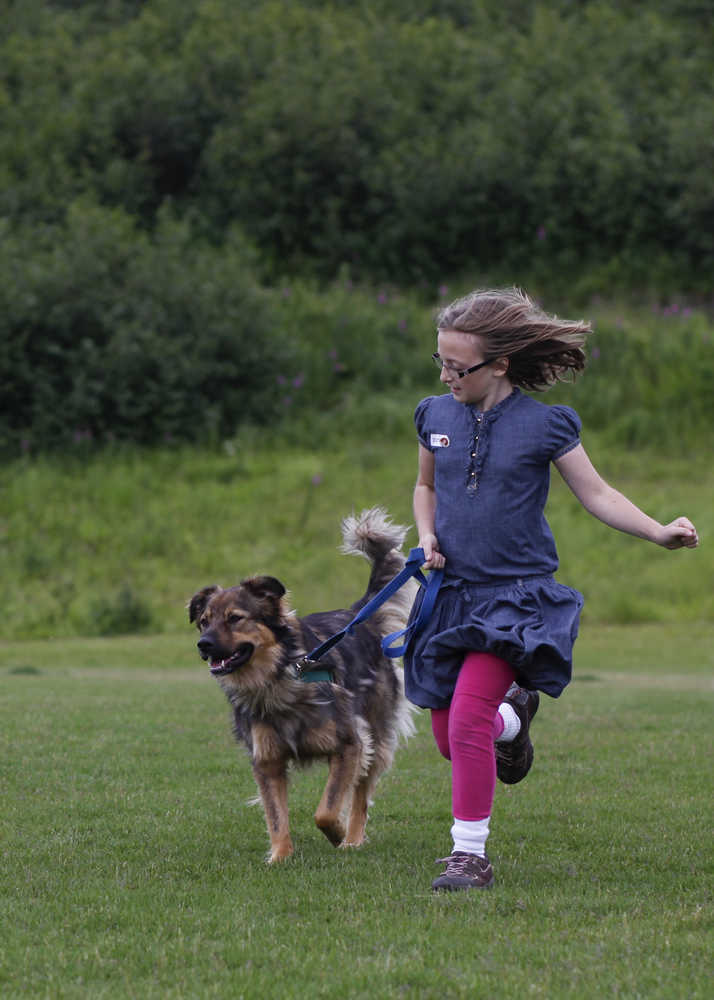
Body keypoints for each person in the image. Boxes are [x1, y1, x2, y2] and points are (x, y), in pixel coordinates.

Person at [405, 287, 699, 893]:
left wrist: (657, 531)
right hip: (450, 596)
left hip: (515, 600)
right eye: (441, 363)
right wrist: (427, 535)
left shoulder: (546, 425)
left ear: (500, 365)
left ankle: (469, 856)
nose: (447, 375)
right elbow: (424, 488)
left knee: (465, 719)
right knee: (449, 738)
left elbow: (598, 494)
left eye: (459, 367)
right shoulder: (432, 414)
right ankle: (513, 724)